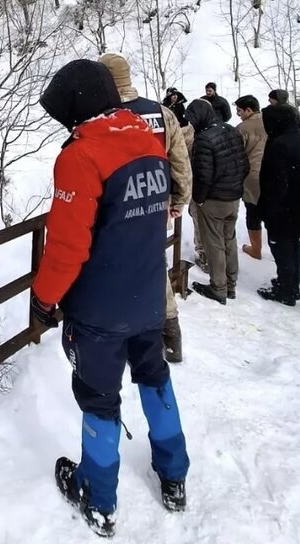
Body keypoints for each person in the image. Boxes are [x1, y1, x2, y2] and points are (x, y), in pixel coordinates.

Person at [31, 59, 190, 537]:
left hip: (101, 307)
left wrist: (43, 299)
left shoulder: (81, 156)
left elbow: (67, 246)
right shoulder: (146, 139)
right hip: (146, 294)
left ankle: (98, 497)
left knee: (99, 397)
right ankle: (174, 475)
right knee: (155, 378)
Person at [99, 53, 193, 364]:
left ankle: (120, 334)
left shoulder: (103, 115)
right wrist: (179, 199)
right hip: (155, 203)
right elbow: (180, 162)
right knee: (153, 262)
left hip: (116, 206)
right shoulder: (161, 112)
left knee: (112, 265)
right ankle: (170, 332)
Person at [186, 99, 249, 303]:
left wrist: (199, 199)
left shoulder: (203, 139)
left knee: (214, 244)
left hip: (214, 199)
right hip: (233, 196)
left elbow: (203, 175)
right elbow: (244, 163)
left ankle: (218, 287)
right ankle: (231, 285)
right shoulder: (231, 130)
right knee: (229, 240)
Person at [256, 104, 300, 306]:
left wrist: (270, 209)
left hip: (283, 206)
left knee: (282, 249)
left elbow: (278, 181)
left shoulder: (280, 144)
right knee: (293, 245)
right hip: (299, 201)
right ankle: (291, 283)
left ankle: (286, 289)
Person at [235, 95, 267, 260]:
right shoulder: (271, 122)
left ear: (249, 110)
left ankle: (256, 248)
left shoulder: (243, 128)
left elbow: (237, 155)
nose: (238, 114)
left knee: (253, 212)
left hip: (252, 175)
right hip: (272, 173)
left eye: (239, 110)